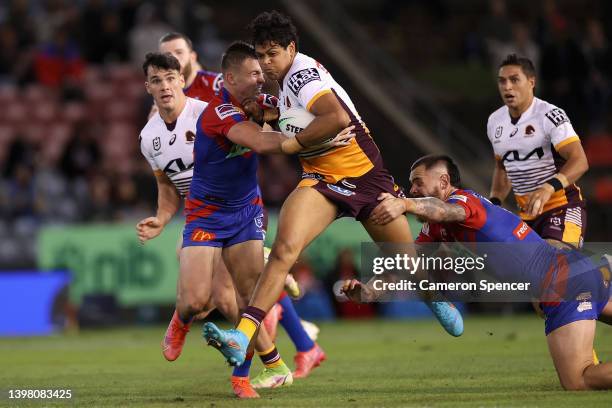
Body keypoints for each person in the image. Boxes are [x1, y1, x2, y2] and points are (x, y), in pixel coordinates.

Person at [202, 11, 463, 368]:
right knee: (283, 252)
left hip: (365, 178)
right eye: (260, 55)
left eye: (272, 54)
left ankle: (435, 298)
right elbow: (298, 117)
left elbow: (336, 117)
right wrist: (271, 113)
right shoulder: (284, 79)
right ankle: (242, 336)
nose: (265, 63)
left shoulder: (302, 75)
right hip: (322, 179)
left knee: (406, 262)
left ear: (291, 48)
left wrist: (292, 144)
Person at [136, 50, 328, 398]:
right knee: (198, 301)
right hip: (204, 213)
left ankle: (250, 373)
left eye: (170, 78)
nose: (165, 86)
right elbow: (167, 187)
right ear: (147, 86)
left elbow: (278, 116)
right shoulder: (152, 136)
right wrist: (162, 219)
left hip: (245, 210)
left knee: (243, 299)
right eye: (156, 80)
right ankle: (188, 320)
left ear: (183, 79)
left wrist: (304, 121)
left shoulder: (204, 108)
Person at [360, 154, 612, 390]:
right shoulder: (437, 230)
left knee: (578, 380)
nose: (412, 190)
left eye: (417, 183)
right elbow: (406, 261)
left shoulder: (463, 202)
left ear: (444, 181)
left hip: (562, 283)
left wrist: (404, 204)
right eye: (410, 186)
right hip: (577, 271)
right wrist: (371, 289)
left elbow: (443, 210)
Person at [487, 54, 612, 328]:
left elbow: (580, 160)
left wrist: (548, 186)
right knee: (545, 301)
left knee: (554, 278)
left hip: (562, 207)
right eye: (502, 81)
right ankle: (598, 269)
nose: (507, 87)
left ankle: (600, 267)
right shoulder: (495, 122)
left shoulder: (549, 115)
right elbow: (503, 168)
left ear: (531, 82)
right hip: (528, 217)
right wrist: (495, 201)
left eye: (514, 80)